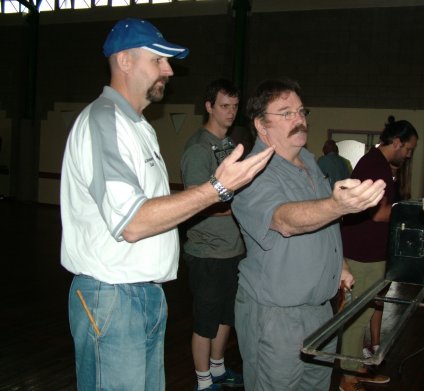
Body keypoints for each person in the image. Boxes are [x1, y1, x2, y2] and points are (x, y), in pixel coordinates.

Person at [60, 18, 274, 391]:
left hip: (142, 294)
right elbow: (132, 222)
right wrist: (218, 188)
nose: (169, 70)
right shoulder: (104, 121)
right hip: (112, 295)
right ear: (124, 61)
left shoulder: (137, 126)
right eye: (159, 59)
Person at [231, 78, 386, 391]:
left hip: (321, 311)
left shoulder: (310, 163)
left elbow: (322, 225)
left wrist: (339, 263)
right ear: (261, 125)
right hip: (276, 316)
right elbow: (285, 219)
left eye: (301, 111)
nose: (299, 119)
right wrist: (336, 205)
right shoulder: (250, 172)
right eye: (286, 113)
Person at [339, 116, 418, 391]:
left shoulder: (380, 164)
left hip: (370, 251)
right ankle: (347, 377)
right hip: (363, 253)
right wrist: (410, 210)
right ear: (396, 142)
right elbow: (381, 213)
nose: (409, 154)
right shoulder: (375, 166)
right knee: (356, 315)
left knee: (363, 311)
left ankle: (354, 365)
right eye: (408, 149)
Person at [181, 79, 245, 391]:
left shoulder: (231, 147)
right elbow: (196, 203)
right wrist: (240, 210)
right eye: (224, 106)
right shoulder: (198, 149)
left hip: (231, 251)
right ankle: (204, 382)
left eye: (234, 106)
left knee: (225, 317)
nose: (231, 112)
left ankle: (218, 370)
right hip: (206, 253)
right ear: (209, 107)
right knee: (205, 322)